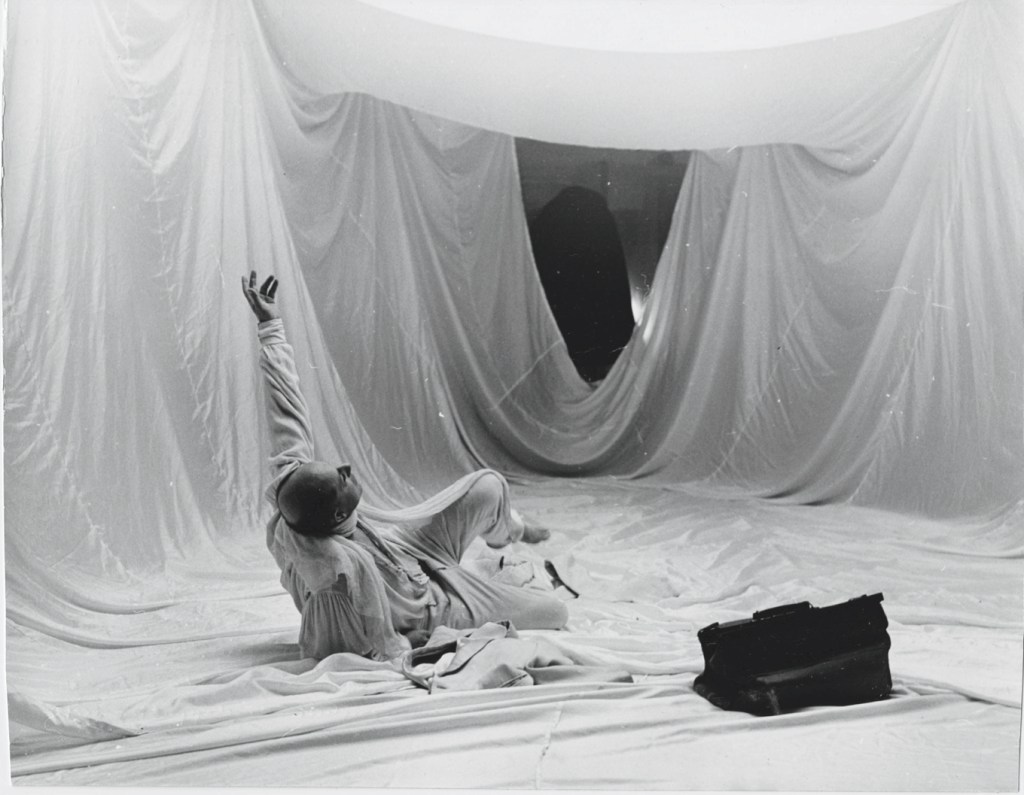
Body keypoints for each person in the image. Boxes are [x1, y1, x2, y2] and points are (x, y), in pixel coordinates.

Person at [242, 271, 568, 661]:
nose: (345, 468)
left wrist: (270, 328)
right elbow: (336, 644)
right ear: (339, 514)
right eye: (341, 479)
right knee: (555, 612)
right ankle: (493, 572)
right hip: (432, 604)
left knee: (489, 485)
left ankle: (507, 534)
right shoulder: (334, 569)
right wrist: (411, 640)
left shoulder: (296, 492)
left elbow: (287, 414)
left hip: (408, 550)